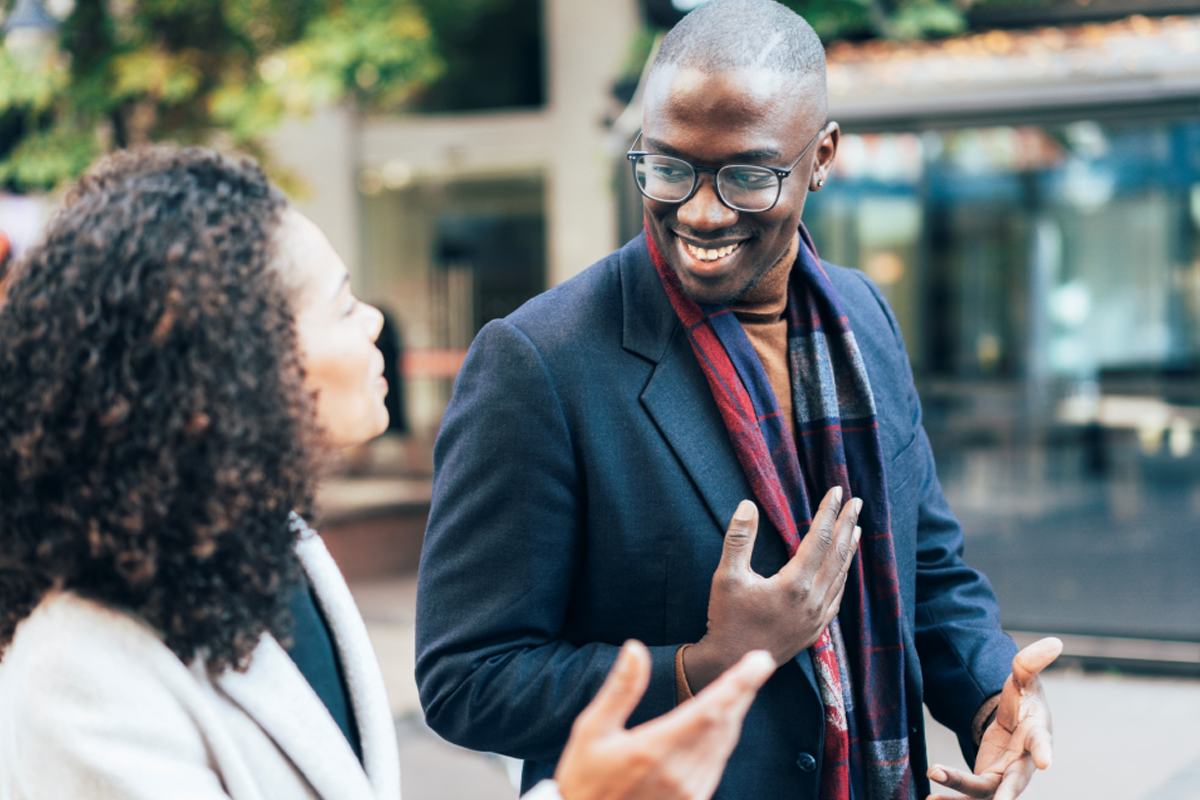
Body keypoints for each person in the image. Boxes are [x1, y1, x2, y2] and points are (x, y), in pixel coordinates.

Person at [414, 2, 1061, 799]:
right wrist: (706, 665)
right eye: (669, 166)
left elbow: (924, 564)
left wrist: (994, 694)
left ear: (821, 158)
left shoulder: (864, 319)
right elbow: (465, 681)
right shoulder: (538, 362)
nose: (700, 210)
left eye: (748, 176)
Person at [0, 147, 776, 800]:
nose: (374, 323)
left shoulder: (276, 548)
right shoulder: (78, 680)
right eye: (342, 306)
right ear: (234, 369)